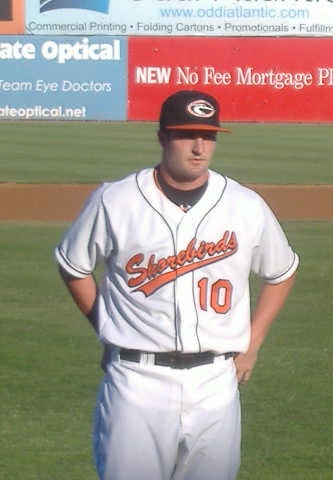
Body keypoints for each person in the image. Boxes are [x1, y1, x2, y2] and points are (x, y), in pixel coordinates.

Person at [54, 90, 299, 480]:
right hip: (137, 380)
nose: (199, 146)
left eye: (209, 136)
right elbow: (73, 264)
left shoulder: (245, 204)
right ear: (162, 137)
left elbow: (282, 271)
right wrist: (106, 327)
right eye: (187, 135)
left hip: (217, 382)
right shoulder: (116, 200)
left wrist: (253, 342)